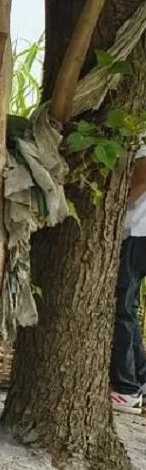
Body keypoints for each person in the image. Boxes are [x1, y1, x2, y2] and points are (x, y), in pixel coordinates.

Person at [110, 144, 146, 414]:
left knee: (121, 307)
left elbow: (142, 177)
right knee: (128, 307)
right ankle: (139, 380)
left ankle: (125, 388)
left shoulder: (141, 132)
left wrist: (113, 210)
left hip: (136, 231)